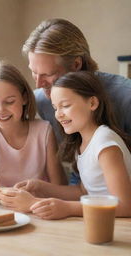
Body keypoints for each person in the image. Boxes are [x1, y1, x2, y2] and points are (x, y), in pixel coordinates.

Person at [0, 71, 131, 219]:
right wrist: (42, 187)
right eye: (55, 108)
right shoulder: (82, 143)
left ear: (92, 103)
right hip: (100, 221)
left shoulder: (105, 144)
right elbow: (84, 192)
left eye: (65, 105)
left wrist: (67, 207)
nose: (58, 114)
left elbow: (125, 206)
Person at [22, 18, 131, 184]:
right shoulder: (41, 101)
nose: (38, 83)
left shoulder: (125, 98)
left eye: (48, 74)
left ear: (76, 64)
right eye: (34, 72)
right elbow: (82, 179)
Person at [0, 60, 67, 187]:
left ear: (24, 98)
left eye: (9, 102)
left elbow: (59, 187)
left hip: (37, 204)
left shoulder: (44, 131)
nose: (1, 110)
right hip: (1, 206)